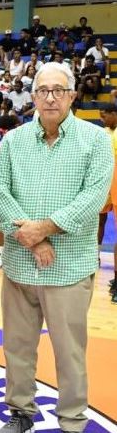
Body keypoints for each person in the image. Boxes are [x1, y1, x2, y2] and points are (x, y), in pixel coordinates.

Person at [0, 62, 113, 433]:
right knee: (17, 348)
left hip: (69, 269)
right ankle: (21, 413)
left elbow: (91, 200)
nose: (50, 97)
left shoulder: (94, 140)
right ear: (33, 96)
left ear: (73, 95)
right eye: (43, 90)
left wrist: (43, 230)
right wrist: (32, 240)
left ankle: (73, 424)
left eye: (59, 90)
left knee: (69, 352)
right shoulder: (13, 141)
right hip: (21, 267)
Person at [99, 105, 117, 303]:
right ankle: (94, 254)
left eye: (105, 116)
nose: (103, 119)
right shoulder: (103, 133)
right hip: (107, 183)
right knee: (99, 221)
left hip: (113, 183)